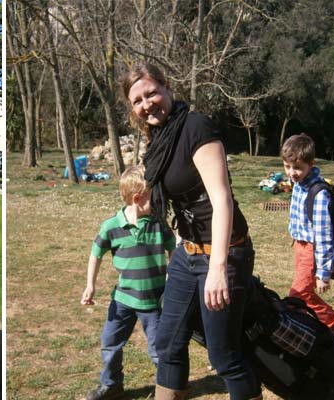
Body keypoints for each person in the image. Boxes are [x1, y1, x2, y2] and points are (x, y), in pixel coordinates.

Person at [121, 61, 261, 400]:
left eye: (151, 93)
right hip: (189, 252)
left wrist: (217, 269)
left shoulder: (195, 127)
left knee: (224, 355)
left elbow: (222, 200)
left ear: (168, 87)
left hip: (223, 253)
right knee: (168, 344)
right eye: (137, 100)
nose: (146, 104)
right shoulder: (160, 139)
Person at [80, 165, 176, 400]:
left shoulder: (159, 223)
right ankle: (111, 385)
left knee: (159, 351)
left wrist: (171, 276)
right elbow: (96, 253)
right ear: (137, 198)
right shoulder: (112, 227)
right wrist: (90, 285)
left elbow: (174, 250)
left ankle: (168, 390)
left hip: (154, 303)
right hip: (122, 300)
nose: (158, 201)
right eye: (154, 196)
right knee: (110, 343)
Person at [280, 133, 334, 346]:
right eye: (287, 166)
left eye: (297, 168)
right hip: (300, 246)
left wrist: (323, 273)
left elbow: (325, 237)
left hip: (312, 251)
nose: (291, 173)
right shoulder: (298, 184)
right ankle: (321, 332)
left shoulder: (319, 194)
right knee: (301, 294)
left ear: (311, 164)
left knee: (298, 295)